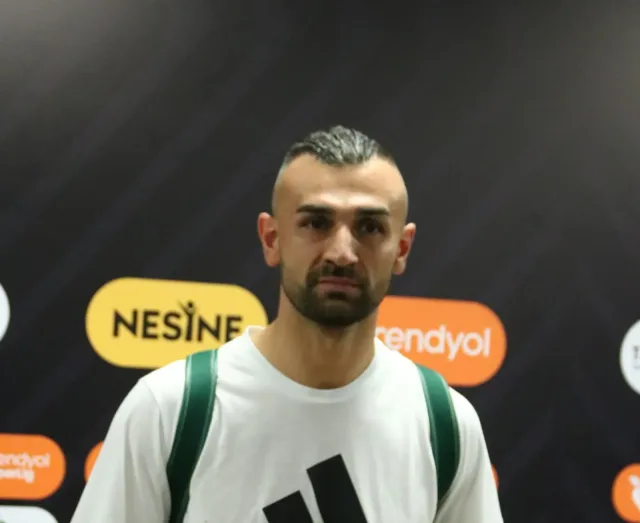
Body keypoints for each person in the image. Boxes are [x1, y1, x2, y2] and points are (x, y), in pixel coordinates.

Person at [70, 125, 504, 522]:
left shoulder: (444, 424)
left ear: (402, 248)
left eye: (370, 227)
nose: (342, 252)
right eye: (316, 223)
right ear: (271, 239)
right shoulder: (170, 410)